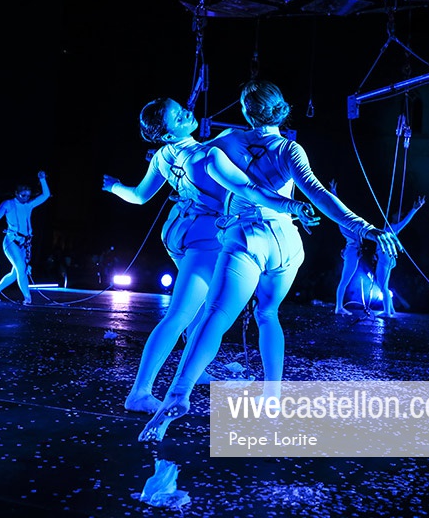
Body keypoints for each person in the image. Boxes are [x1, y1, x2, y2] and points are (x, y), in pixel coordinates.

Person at [139, 79, 402, 442]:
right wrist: (367, 228)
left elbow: (193, 159)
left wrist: (164, 157)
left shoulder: (227, 141)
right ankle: (272, 397)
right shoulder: (290, 150)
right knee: (268, 314)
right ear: (281, 109)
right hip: (286, 242)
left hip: (246, 237)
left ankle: (178, 393)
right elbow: (320, 195)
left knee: (216, 316)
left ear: (246, 112)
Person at [102, 97, 318, 414]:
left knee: (203, 308)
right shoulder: (208, 154)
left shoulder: (163, 156)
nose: (188, 113)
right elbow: (249, 188)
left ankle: (197, 370)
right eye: (179, 116)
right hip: (203, 240)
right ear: (167, 133)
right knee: (181, 313)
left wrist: (113, 186)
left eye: (181, 109)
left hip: (178, 230)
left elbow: (138, 196)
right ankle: (140, 392)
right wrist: (290, 205)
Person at [0, 171, 51, 304]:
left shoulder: (29, 204)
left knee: (16, 272)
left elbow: (46, 195)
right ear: (16, 193)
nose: (26, 198)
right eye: (23, 195)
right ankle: (27, 297)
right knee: (21, 268)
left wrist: (42, 179)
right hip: (11, 241)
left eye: (28, 195)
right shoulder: (8, 204)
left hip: (25, 243)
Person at [373, 195, 425, 317]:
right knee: (382, 284)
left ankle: (387, 312)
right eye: (398, 214)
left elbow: (405, 221)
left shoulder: (393, 228)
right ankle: (391, 310)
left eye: (400, 215)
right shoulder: (387, 227)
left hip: (386, 258)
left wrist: (414, 209)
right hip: (383, 257)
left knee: (383, 286)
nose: (400, 216)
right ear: (393, 215)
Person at [330, 179, 363, 316]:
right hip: (351, 253)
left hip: (352, 252)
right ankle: (339, 307)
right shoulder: (344, 223)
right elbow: (338, 210)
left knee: (345, 281)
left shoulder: (350, 225)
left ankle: (339, 306)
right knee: (344, 281)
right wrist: (333, 192)